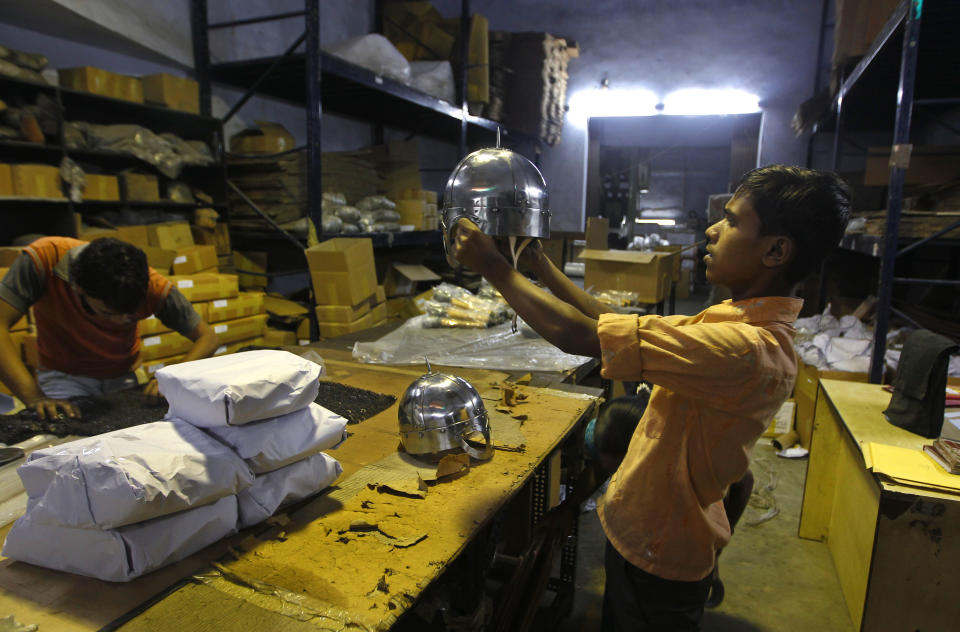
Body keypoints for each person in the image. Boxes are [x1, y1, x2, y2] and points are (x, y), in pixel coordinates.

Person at [451, 164, 850, 630]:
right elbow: (614, 323)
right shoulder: (735, 323)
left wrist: (495, 268)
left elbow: (578, 335)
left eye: (734, 221)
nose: (713, 230)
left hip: (662, 553)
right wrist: (541, 266)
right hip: (647, 533)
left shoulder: (746, 349)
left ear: (777, 250)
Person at [0, 236, 219, 420]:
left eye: (130, 315)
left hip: (125, 376)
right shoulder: (43, 260)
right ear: (78, 288)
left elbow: (207, 338)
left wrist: (172, 378)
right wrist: (34, 397)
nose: (121, 321)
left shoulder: (154, 286)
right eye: (109, 314)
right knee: (63, 441)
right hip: (64, 377)